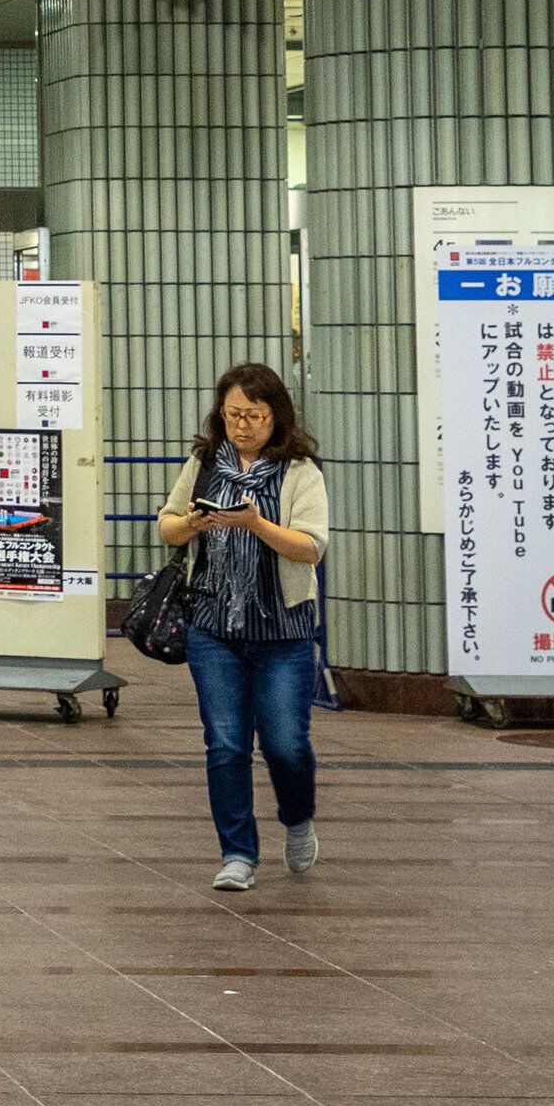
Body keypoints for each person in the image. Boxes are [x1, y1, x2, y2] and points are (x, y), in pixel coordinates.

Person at [155, 362, 330, 891]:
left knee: (285, 745)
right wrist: (193, 524)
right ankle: (237, 853)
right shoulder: (204, 463)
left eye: (254, 415)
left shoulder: (300, 470)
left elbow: (311, 546)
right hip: (214, 627)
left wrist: (257, 524)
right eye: (233, 415)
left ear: (276, 416)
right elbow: (166, 526)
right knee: (226, 743)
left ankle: (297, 819)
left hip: (285, 633)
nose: (243, 425)